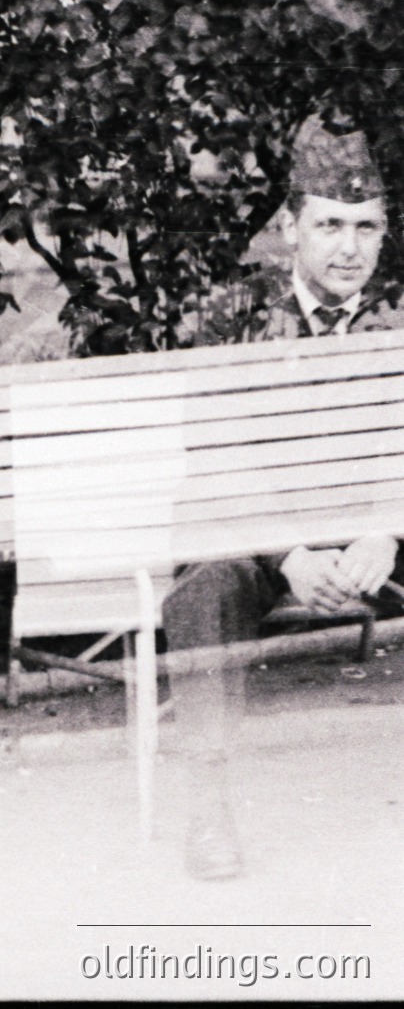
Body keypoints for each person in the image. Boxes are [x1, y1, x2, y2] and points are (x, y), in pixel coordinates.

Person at [169, 111, 404, 881]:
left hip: (376, 538)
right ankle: (207, 808)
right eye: (330, 224)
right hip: (261, 538)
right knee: (205, 590)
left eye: (366, 227)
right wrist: (292, 551)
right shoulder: (232, 317)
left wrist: (384, 528)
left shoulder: (397, 319)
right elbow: (213, 457)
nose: (349, 246)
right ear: (292, 226)